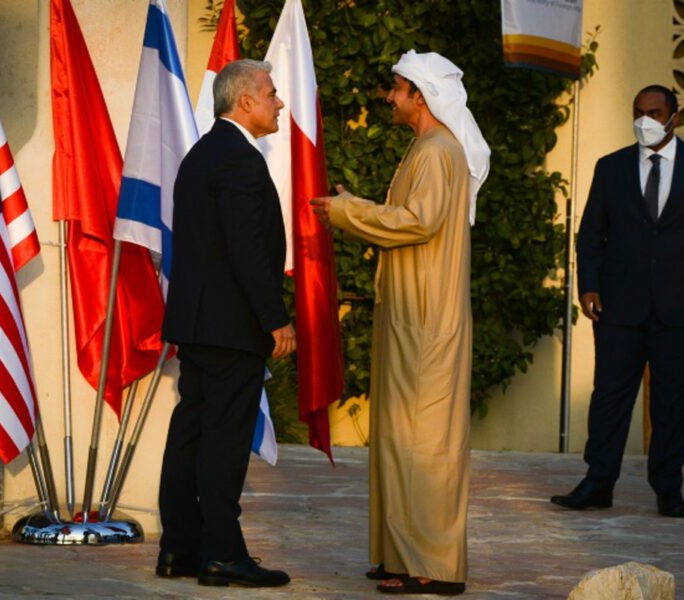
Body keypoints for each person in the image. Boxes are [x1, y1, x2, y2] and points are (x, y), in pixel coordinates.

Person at [311, 50, 490, 596]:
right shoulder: (426, 148)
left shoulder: (438, 152)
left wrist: (349, 212)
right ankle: (398, 554)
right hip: (411, 316)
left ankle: (433, 564)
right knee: (397, 437)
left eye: (396, 89)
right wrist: (355, 208)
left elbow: (419, 223)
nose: (388, 98)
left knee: (425, 444)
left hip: (428, 321)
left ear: (422, 95)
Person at [157, 59, 295, 588]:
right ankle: (221, 554)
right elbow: (246, 250)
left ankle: (179, 550)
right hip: (231, 327)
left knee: (192, 432)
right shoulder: (238, 160)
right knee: (223, 441)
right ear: (245, 102)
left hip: (197, 325)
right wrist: (275, 319)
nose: (278, 102)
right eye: (271, 94)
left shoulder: (202, 154)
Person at [551, 85, 684, 518]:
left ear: (675, 117)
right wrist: (588, 286)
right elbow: (591, 235)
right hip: (619, 307)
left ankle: (668, 488)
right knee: (610, 398)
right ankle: (597, 483)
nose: (646, 120)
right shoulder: (612, 167)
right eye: (639, 112)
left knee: (674, 401)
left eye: (655, 113)